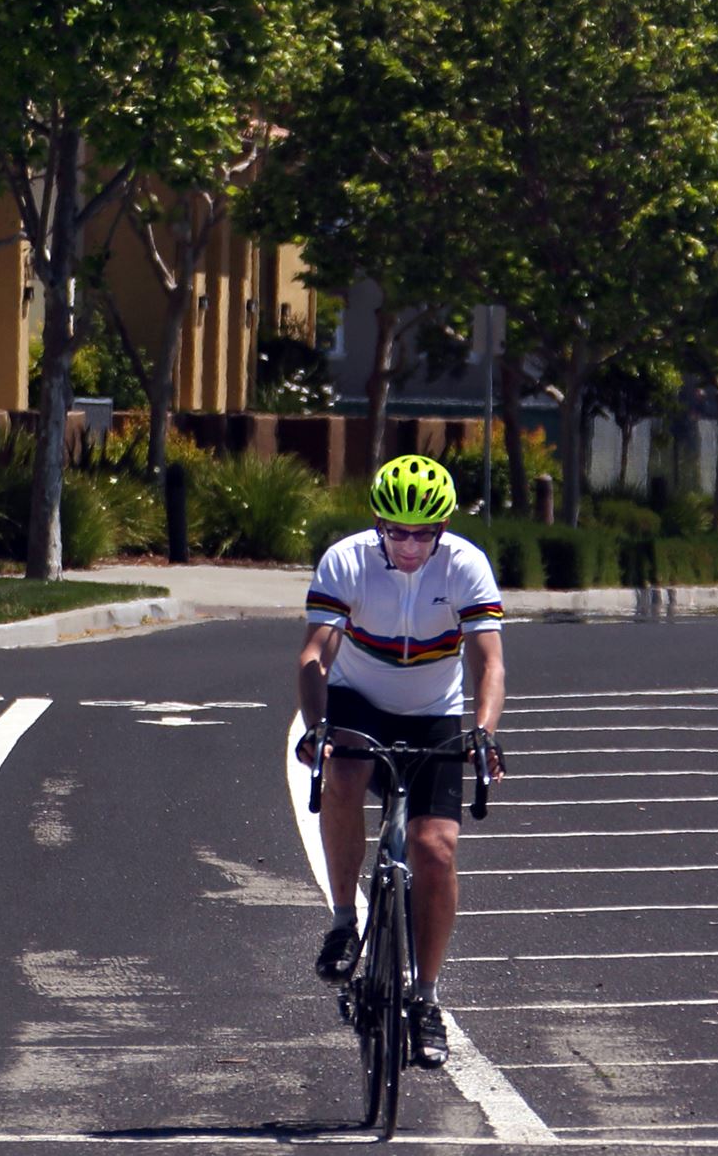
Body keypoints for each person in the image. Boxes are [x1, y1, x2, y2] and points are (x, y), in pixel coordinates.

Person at [295, 452, 507, 1071]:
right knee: (343, 773)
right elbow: (316, 654)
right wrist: (318, 728)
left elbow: (488, 662)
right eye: (396, 531)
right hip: (359, 700)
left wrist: (485, 732)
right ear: (378, 523)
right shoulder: (348, 560)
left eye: (423, 533)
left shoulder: (466, 565)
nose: (409, 545)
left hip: (432, 709)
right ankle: (342, 918)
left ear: (442, 529)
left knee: (436, 848)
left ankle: (427, 996)